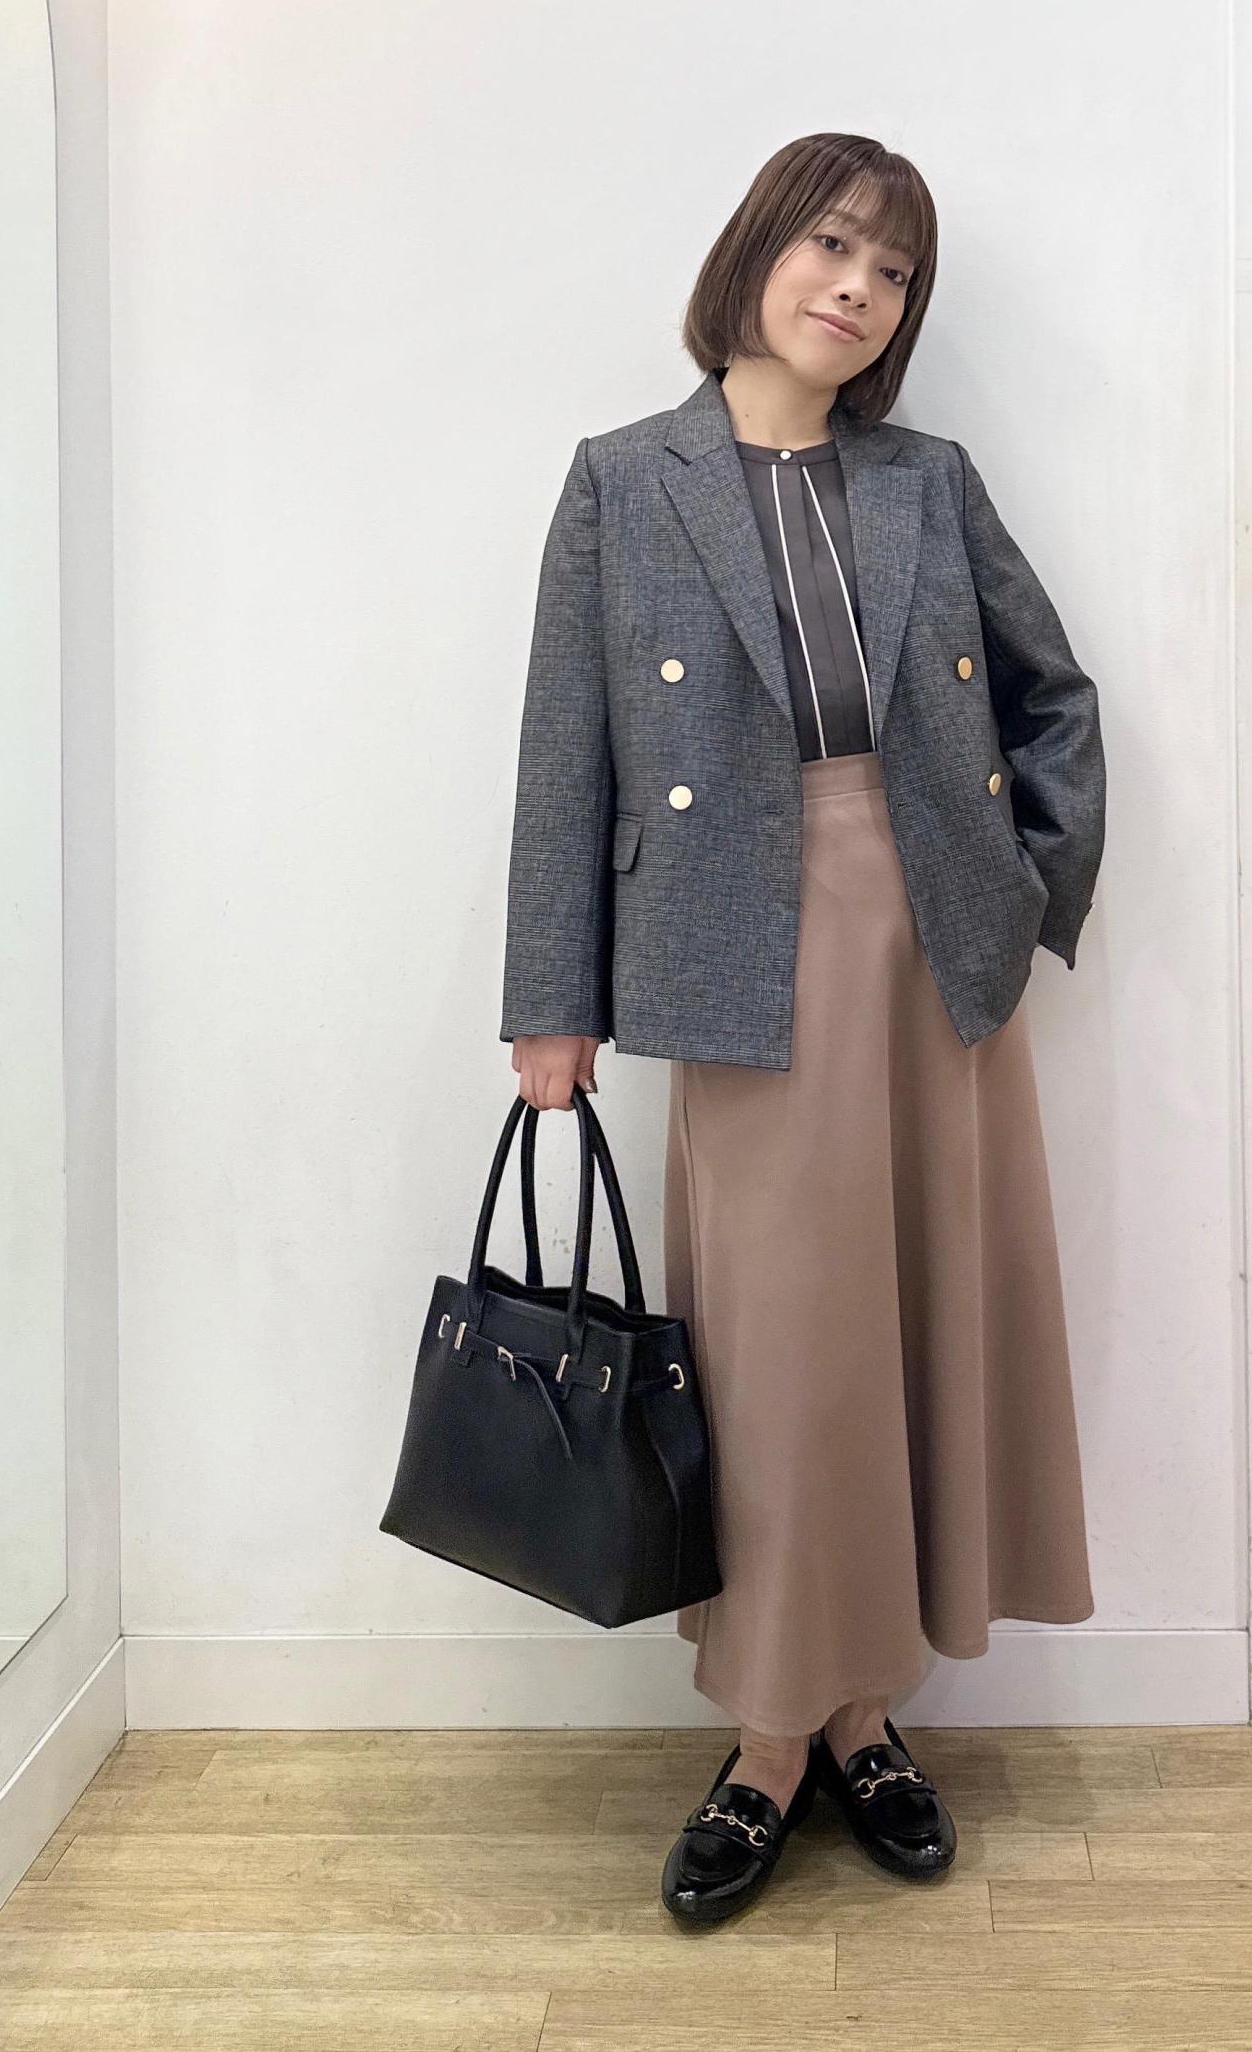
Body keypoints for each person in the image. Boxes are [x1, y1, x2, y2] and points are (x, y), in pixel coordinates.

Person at [500, 132, 1105, 1922]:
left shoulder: (928, 479)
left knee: (919, 1323)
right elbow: (562, 753)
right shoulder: (626, 480)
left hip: (934, 949)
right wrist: (554, 1002)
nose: (858, 286)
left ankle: (865, 1716)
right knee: (778, 1350)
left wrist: (1022, 893)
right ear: (758, 251)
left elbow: (1055, 694)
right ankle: (773, 1733)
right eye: (832, 244)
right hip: (732, 956)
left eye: (894, 269)